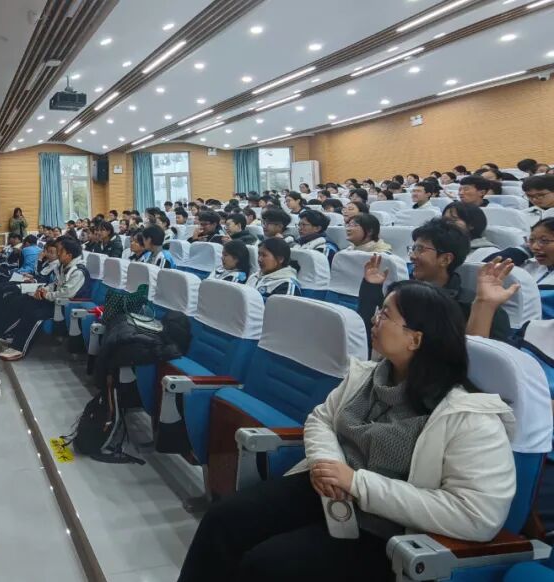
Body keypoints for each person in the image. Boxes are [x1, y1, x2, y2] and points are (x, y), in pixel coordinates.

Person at [178, 280, 515, 582]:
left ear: (416, 338)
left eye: (385, 315)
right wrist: (329, 464)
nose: (374, 319)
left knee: (266, 565)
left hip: (387, 527)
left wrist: (356, 483)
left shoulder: (467, 416)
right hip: (328, 491)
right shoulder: (367, 375)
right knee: (223, 520)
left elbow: (477, 515)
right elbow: (321, 419)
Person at [359, 218, 511, 342]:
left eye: (420, 249)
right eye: (413, 249)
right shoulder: (401, 293)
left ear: (445, 259)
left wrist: (484, 306)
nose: (412, 256)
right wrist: (371, 288)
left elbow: (483, 363)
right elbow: (371, 335)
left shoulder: (472, 307)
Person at [0, 237, 90, 361]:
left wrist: (45, 294)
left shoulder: (78, 272)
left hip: (65, 307)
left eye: (60, 251)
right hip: (53, 300)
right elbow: (55, 284)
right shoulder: (64, 266)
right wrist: (42, 290)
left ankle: (19, 348)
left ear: (69, 255)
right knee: (19, 300)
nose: (58, 253)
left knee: (35, 314)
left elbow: (65, 293)